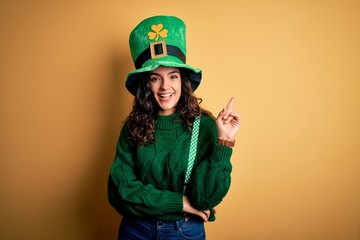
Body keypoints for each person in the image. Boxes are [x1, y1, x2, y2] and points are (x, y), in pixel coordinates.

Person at [108, 15, 240, 240]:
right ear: (145, 84)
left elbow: (206, 199)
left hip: (184, 231)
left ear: (183, 81)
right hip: (136, 230)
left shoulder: (204, 127)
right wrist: (182, 202)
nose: (165, 87)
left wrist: (224, 142)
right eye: (155, 78)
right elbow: (121, 192)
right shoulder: (132, 128)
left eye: (173, 76)